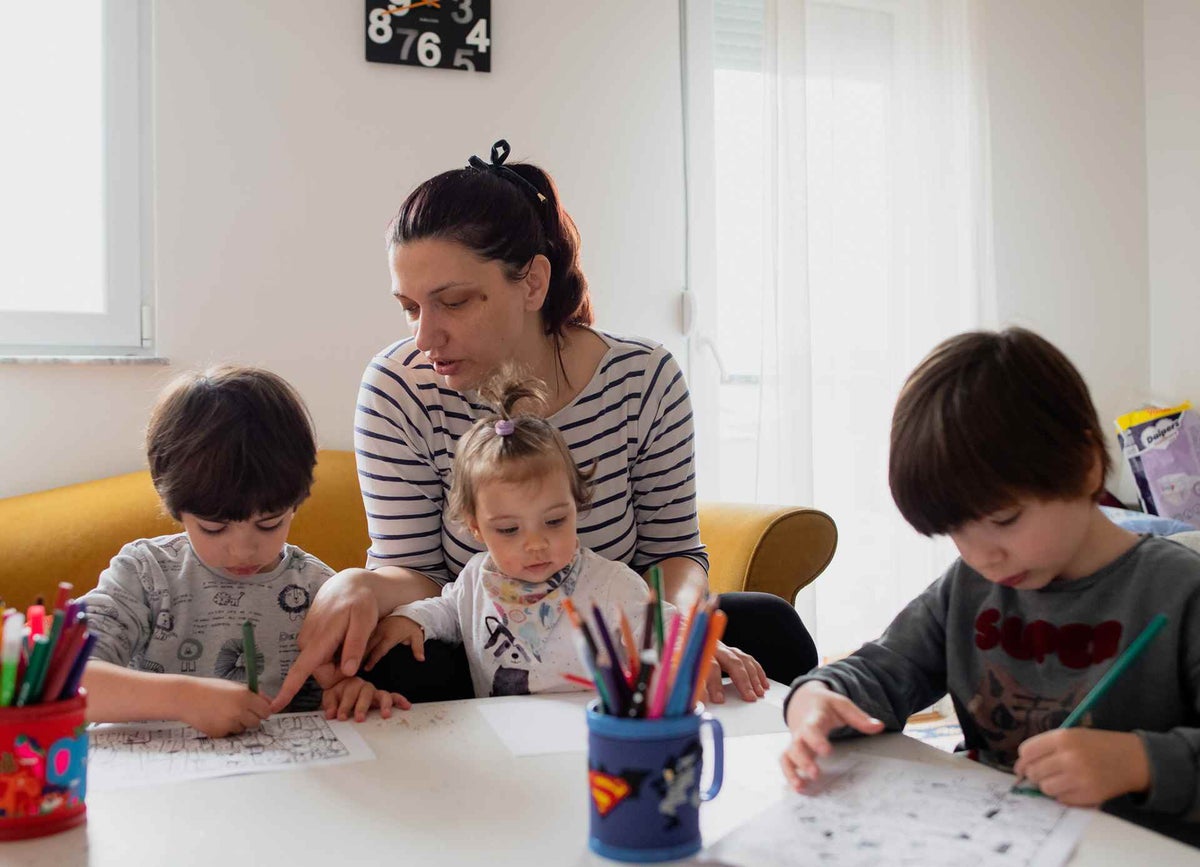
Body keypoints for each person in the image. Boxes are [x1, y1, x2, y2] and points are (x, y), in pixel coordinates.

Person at [271, 139, 816, 710]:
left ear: (532, 282)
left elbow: (673, 553)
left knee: (769, 629)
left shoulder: (642, 377)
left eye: (453, 302)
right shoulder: (397, 386)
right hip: (489, 642)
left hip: (619, 637)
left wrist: (676, 629)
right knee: (398, 663)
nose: (424, 337)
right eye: (410, 307)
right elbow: (416, 570)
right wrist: (360, 584)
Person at [780, 328, 1200, 837]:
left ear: (1087, 466)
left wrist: (1141, 763)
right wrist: (815, 699)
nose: (983, 555)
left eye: (1004, 520)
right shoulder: (969, 588)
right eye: (955, 531)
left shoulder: (1181, 591)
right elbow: (881, 672)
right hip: (993, 836)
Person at [82, 366, 410, 737]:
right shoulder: (144, 575)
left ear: (297, 501)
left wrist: (348, 692)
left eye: (269, 523)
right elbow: (62, 680)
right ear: (172, 503)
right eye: (213, 527)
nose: (242, 551)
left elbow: (335, 691)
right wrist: (182, 698)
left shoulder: (319, 590)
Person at [370, 367, 669, 697]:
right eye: (509, 529)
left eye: (554, 521)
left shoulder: (612, 584)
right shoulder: (475, 581)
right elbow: (446, 612)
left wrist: (680, 642)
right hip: (502, 741)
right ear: (476, 529)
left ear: (577, 504)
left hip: (590, 736)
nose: (536, 544)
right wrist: (410, 618)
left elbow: (661, 622)